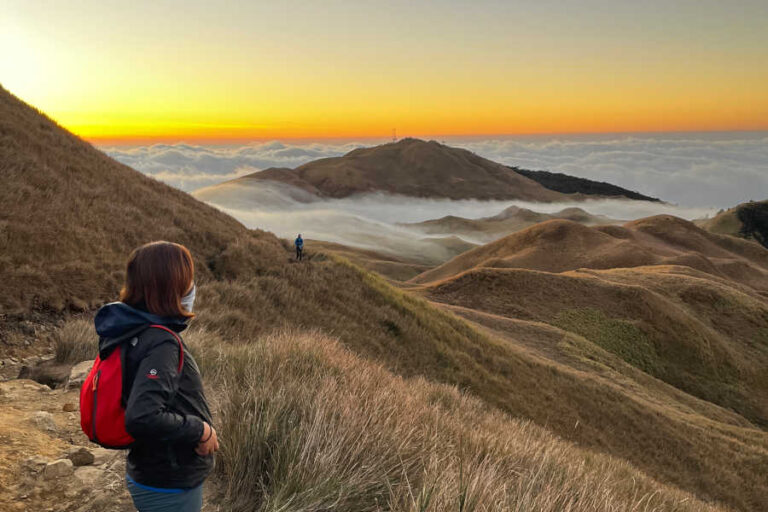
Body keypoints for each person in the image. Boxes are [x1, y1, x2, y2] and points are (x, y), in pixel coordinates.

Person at [93, 241, 218, 512]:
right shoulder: (161, 343)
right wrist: (201, 430)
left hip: (151, 469)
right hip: (169, 481)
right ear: (169, 288)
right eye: (187, 282)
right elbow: (142, 416)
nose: (192, 288)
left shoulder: (131, 329)